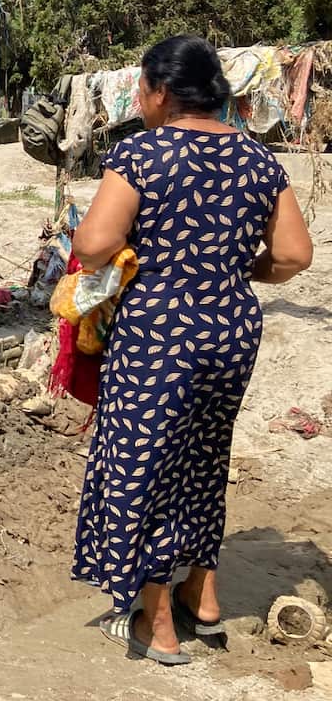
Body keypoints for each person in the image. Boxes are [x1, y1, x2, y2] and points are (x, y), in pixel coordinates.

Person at [71, 35, 313, 665]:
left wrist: (149, 258)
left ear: (158, 90)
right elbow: (294, 255)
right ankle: (202, 596)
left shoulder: (142, 154)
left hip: (160, 332)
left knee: (143, 466)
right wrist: (230, 270)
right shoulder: (260, 161)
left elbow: (95, 244)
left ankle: (155, 620)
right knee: (202, 460)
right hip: (231, 329)